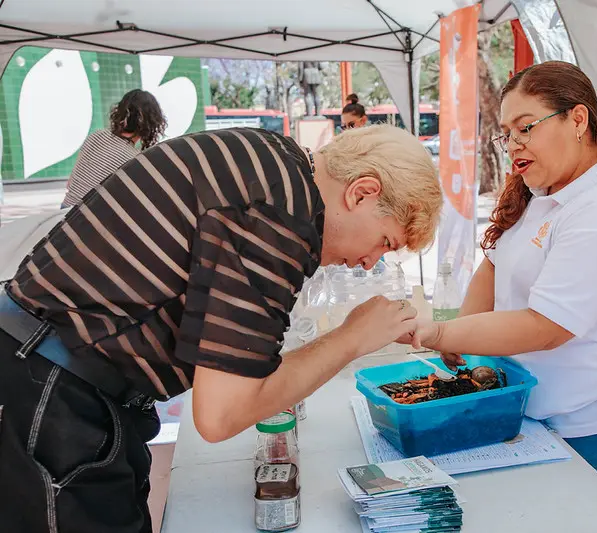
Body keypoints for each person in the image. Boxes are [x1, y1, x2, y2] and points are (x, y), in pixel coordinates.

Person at [0, 124, 441, 532]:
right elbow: (221, 414)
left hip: (52, 371)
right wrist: (351, 338)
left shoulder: (272, 163)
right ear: (362, 193)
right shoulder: (281, 211)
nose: (369, 262)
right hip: (53, 393)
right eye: (385, 242)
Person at [403, 62, 597, 503]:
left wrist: (442, 332)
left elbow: (547, 326)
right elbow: (493, 264)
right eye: (506, 133)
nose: (513, 145)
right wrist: (463, 339)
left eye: (526, 128)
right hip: (534, 407)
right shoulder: (542, 186)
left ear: (578, 120)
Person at [62, 89, 167, 208]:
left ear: (119, 112)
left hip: (65, 211)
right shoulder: (134, 160)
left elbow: (70, 182)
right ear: (151, 124)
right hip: (90, 220)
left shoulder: (96, 135)